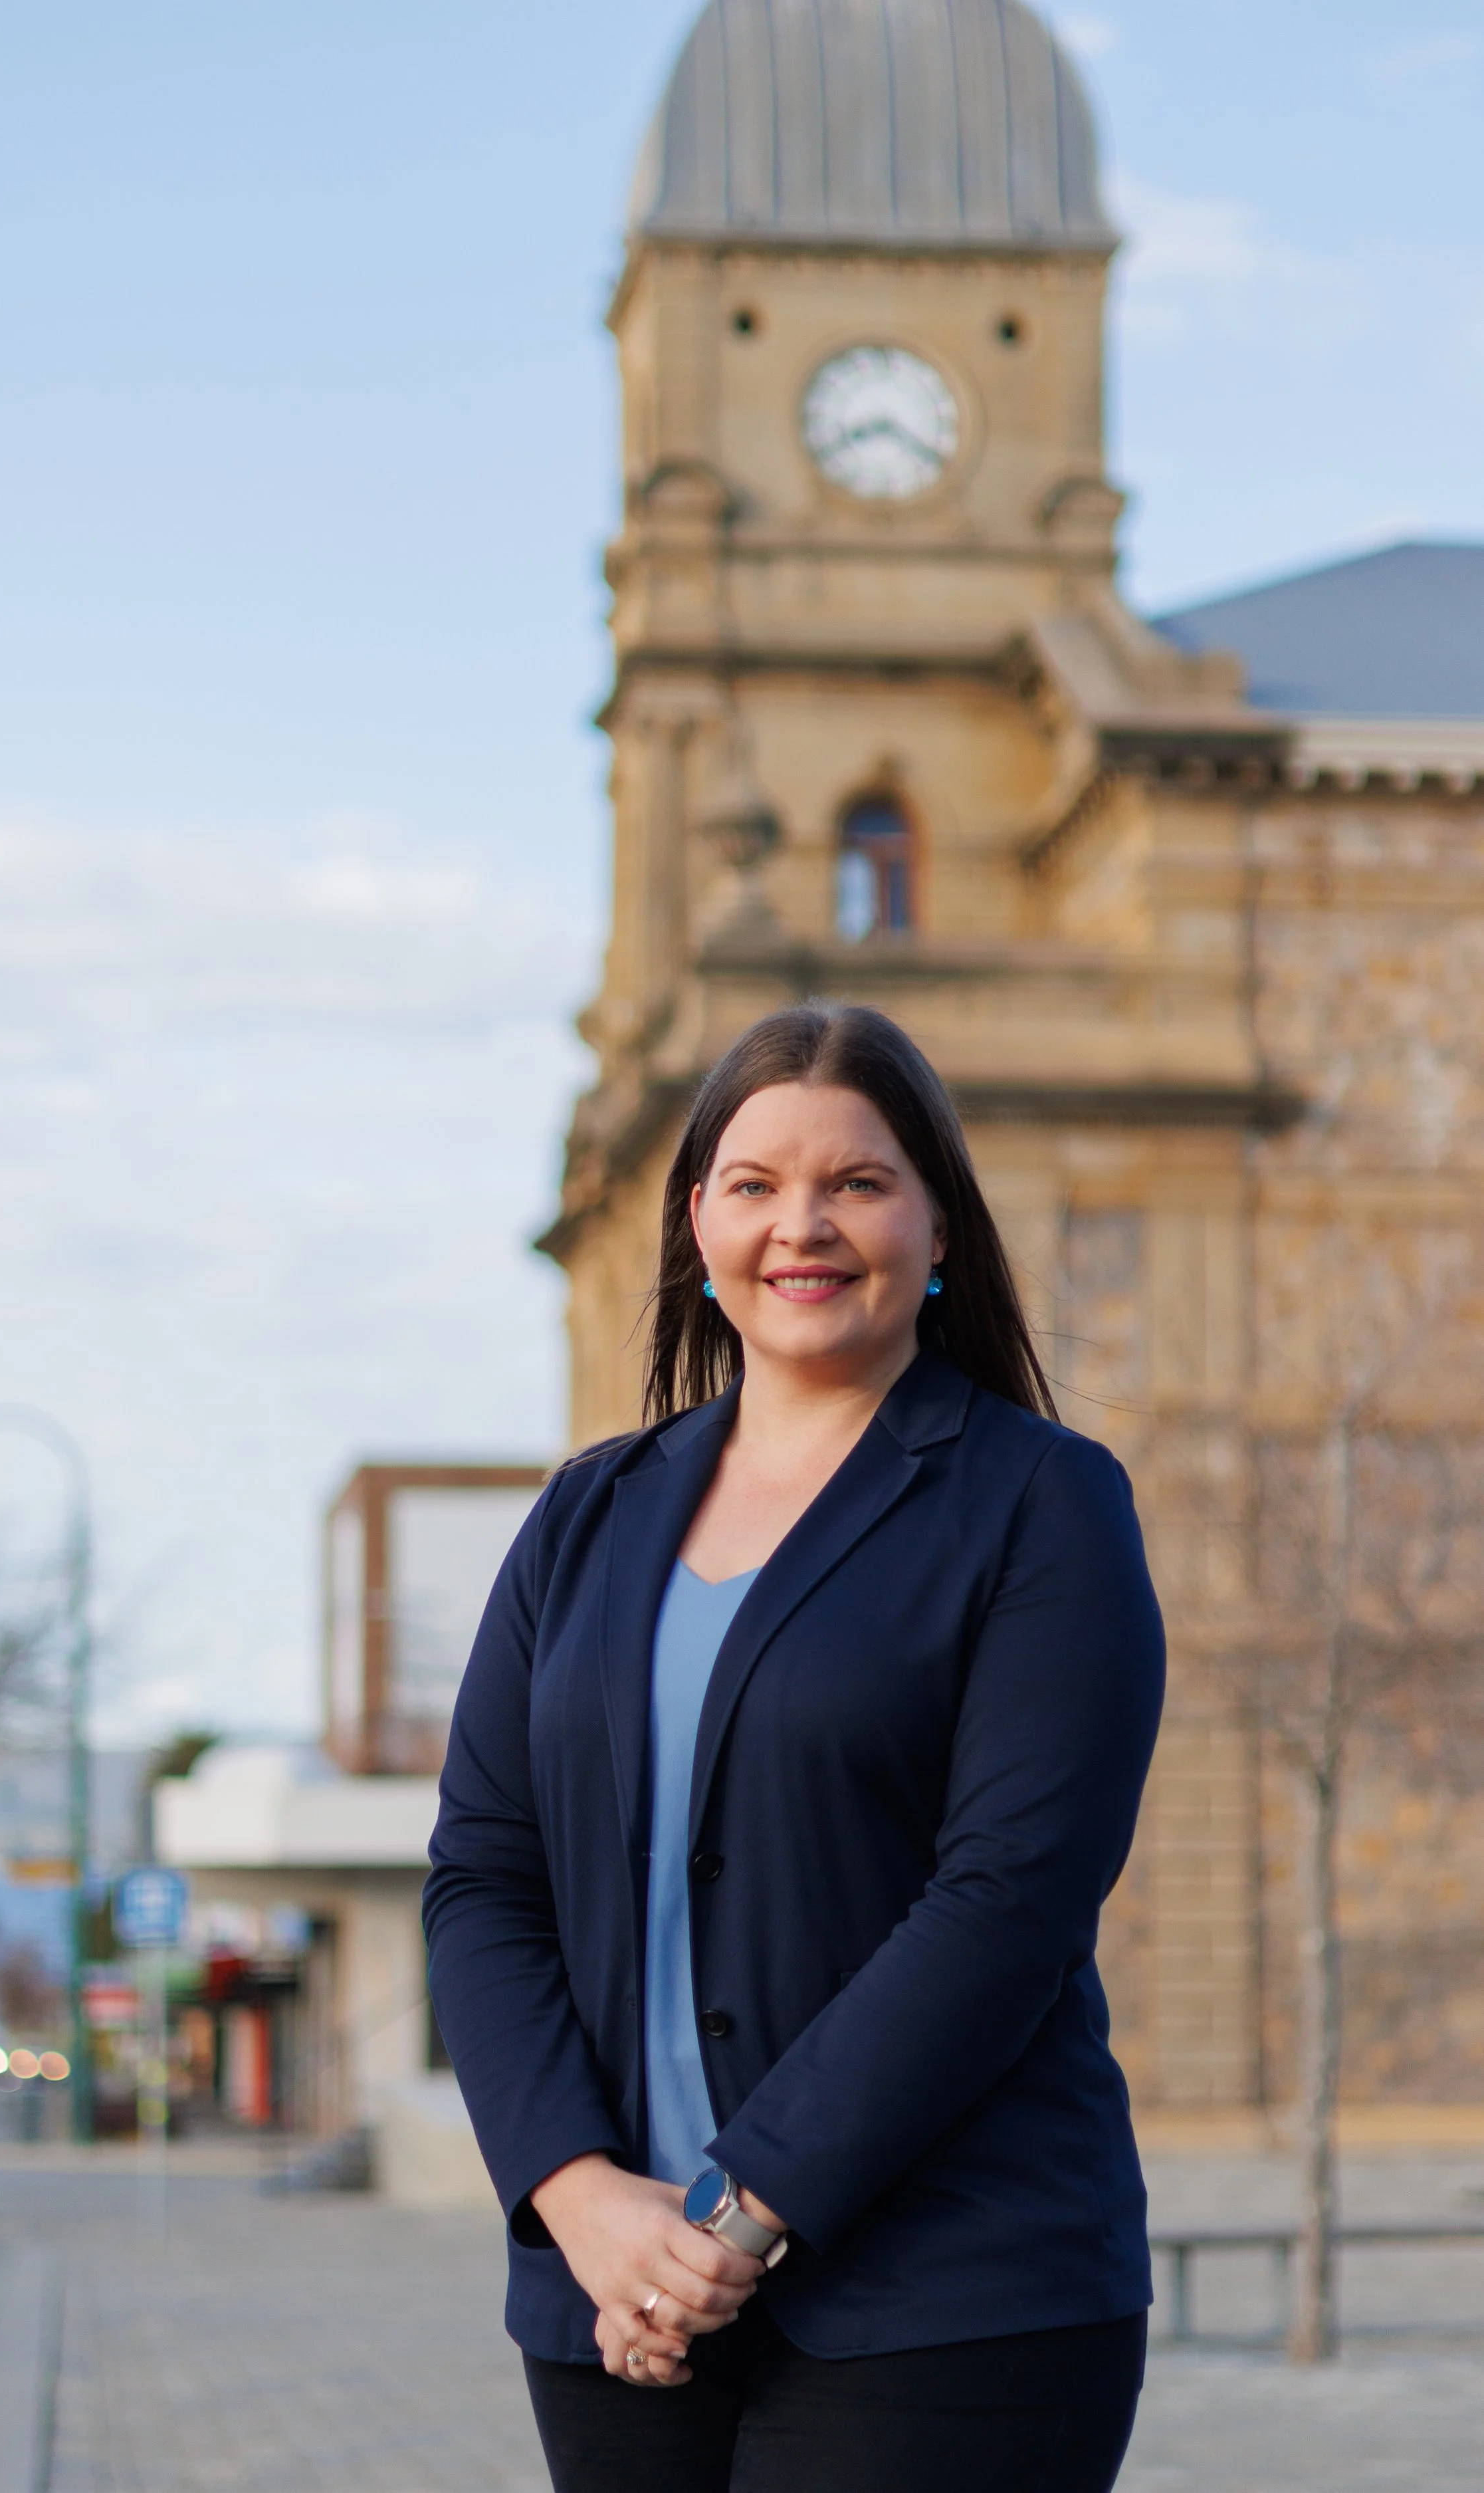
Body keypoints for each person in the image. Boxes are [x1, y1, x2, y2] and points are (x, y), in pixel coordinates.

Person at [423, 1002, 1166, 2493]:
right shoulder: (584, 1516)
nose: (801, 1225)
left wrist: (734, 2220)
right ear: (697, 1224)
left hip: (948, 2300)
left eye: (858, 1182)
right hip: (613, 2306)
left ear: (937, 1226)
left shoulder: (1041, 1503)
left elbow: (1006, 1902)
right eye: (755, 1184)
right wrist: (578, 2199)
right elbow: (483, 1880)